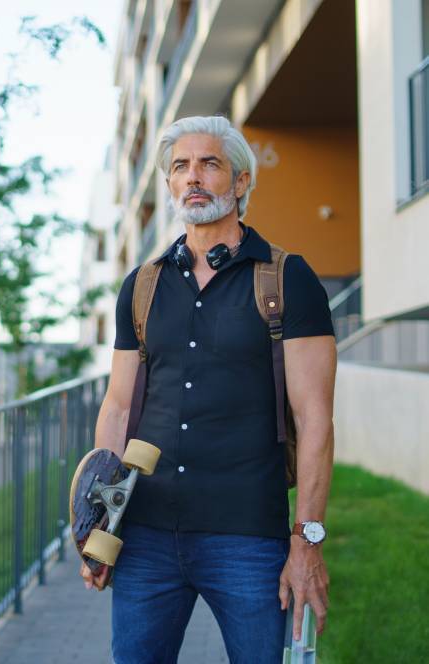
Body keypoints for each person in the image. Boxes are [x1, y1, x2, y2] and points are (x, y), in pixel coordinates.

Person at [80, 115, 336, 664]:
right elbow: (119, 405)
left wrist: (307, 541)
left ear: (241, 182)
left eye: (209, 164)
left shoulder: (288, 280)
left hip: (246, 539)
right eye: (180, 167)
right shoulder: (142, 286)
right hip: (145, 538)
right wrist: (101, 524)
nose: (193, 176)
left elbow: (315, 418)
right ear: (171, 185)